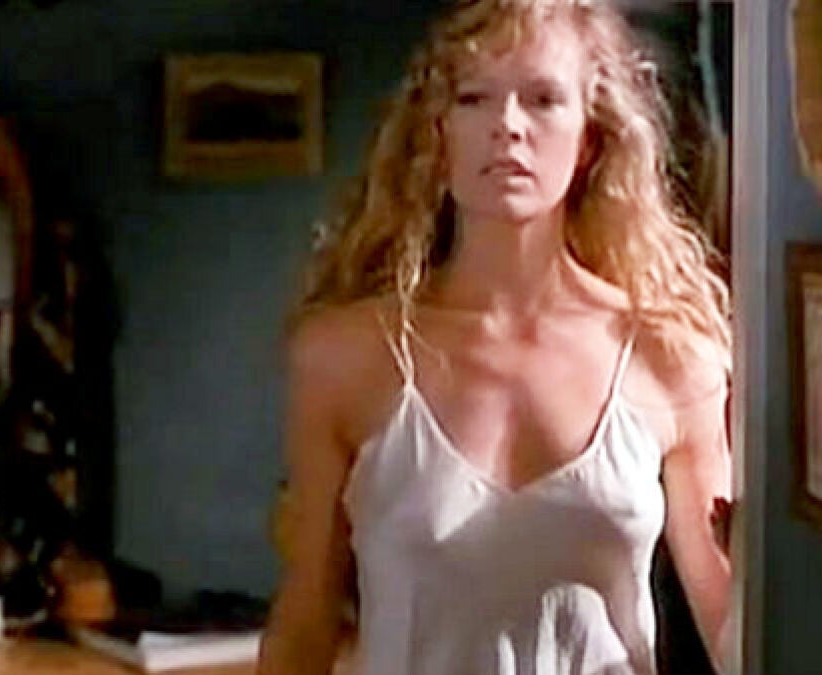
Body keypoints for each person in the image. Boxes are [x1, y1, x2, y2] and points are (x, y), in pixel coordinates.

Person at [259, 1, 733, 673]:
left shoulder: (671, 356)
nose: (507, 126)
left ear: (589, 139)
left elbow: (733, 625)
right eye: (474, 98)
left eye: (542, 99)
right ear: (439, 133)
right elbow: (305, 617)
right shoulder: (345, 357)